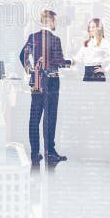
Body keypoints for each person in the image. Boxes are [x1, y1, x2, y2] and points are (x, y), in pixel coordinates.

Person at [19, 10, 72, 164]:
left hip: (36, 82)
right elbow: (59, 62)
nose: (55, 24)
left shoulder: (33, 37)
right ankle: (50, 152)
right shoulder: (55, 39)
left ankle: (35, 153)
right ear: (50, 22)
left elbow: (22, 55)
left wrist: (30, 70)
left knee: (34, 118)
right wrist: (72, 62)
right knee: (50, 118)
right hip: (51, 81)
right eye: (54, 21)